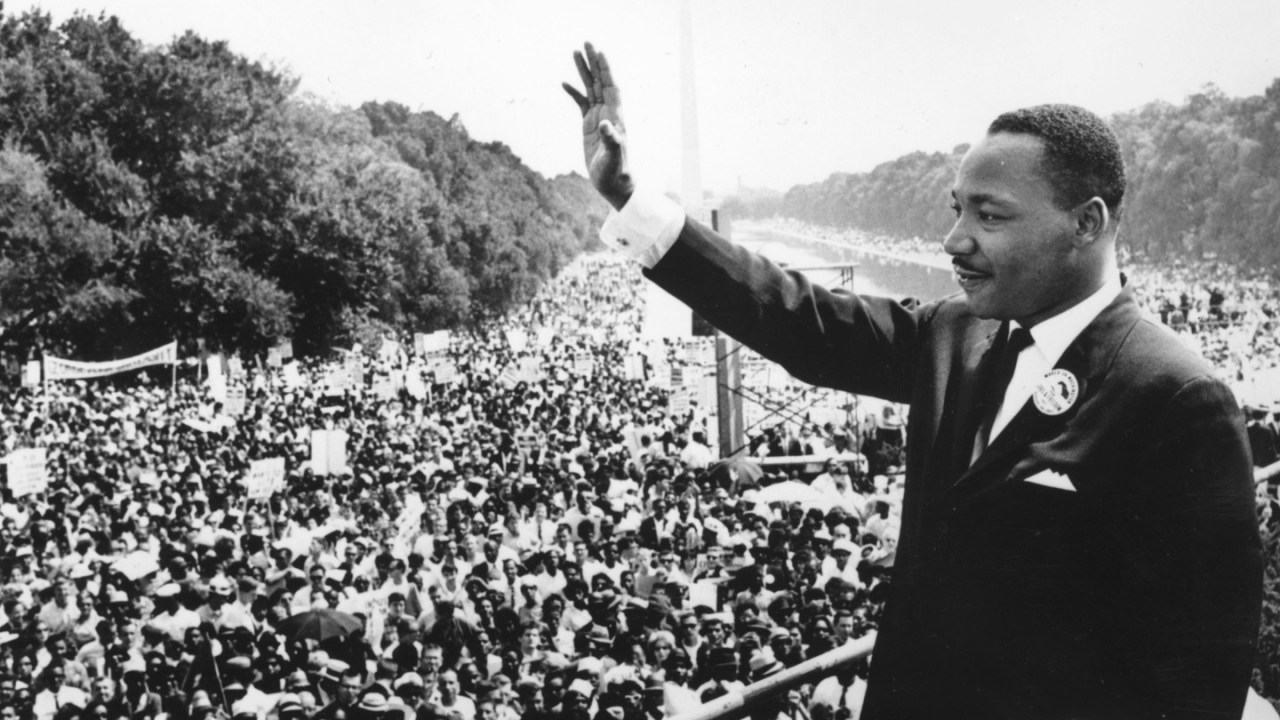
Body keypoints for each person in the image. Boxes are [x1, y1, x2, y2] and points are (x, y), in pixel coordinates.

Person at [564, 42, 1263, 719]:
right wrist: (630, 198)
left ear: (1086, 224)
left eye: (989, 216)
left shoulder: (1177, 397)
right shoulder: (954, 332)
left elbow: (1203, 677)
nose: (955, 240)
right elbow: (798, 321)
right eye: (956, 209)